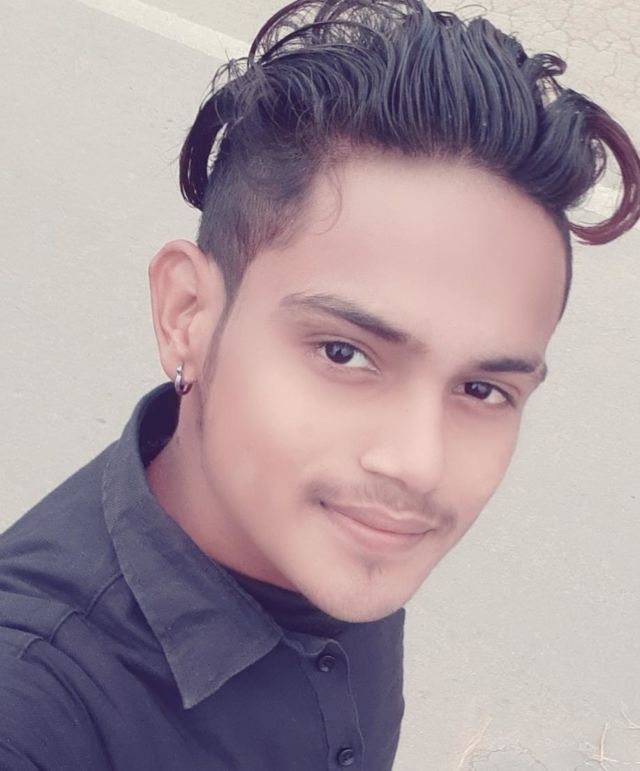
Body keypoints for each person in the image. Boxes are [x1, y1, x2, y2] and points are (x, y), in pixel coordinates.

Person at [1, 1, 638, 769]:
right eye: (344, 352)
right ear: (186, 314)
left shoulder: (343, 535)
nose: (419, 464)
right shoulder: (35, 708)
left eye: (482, 390)